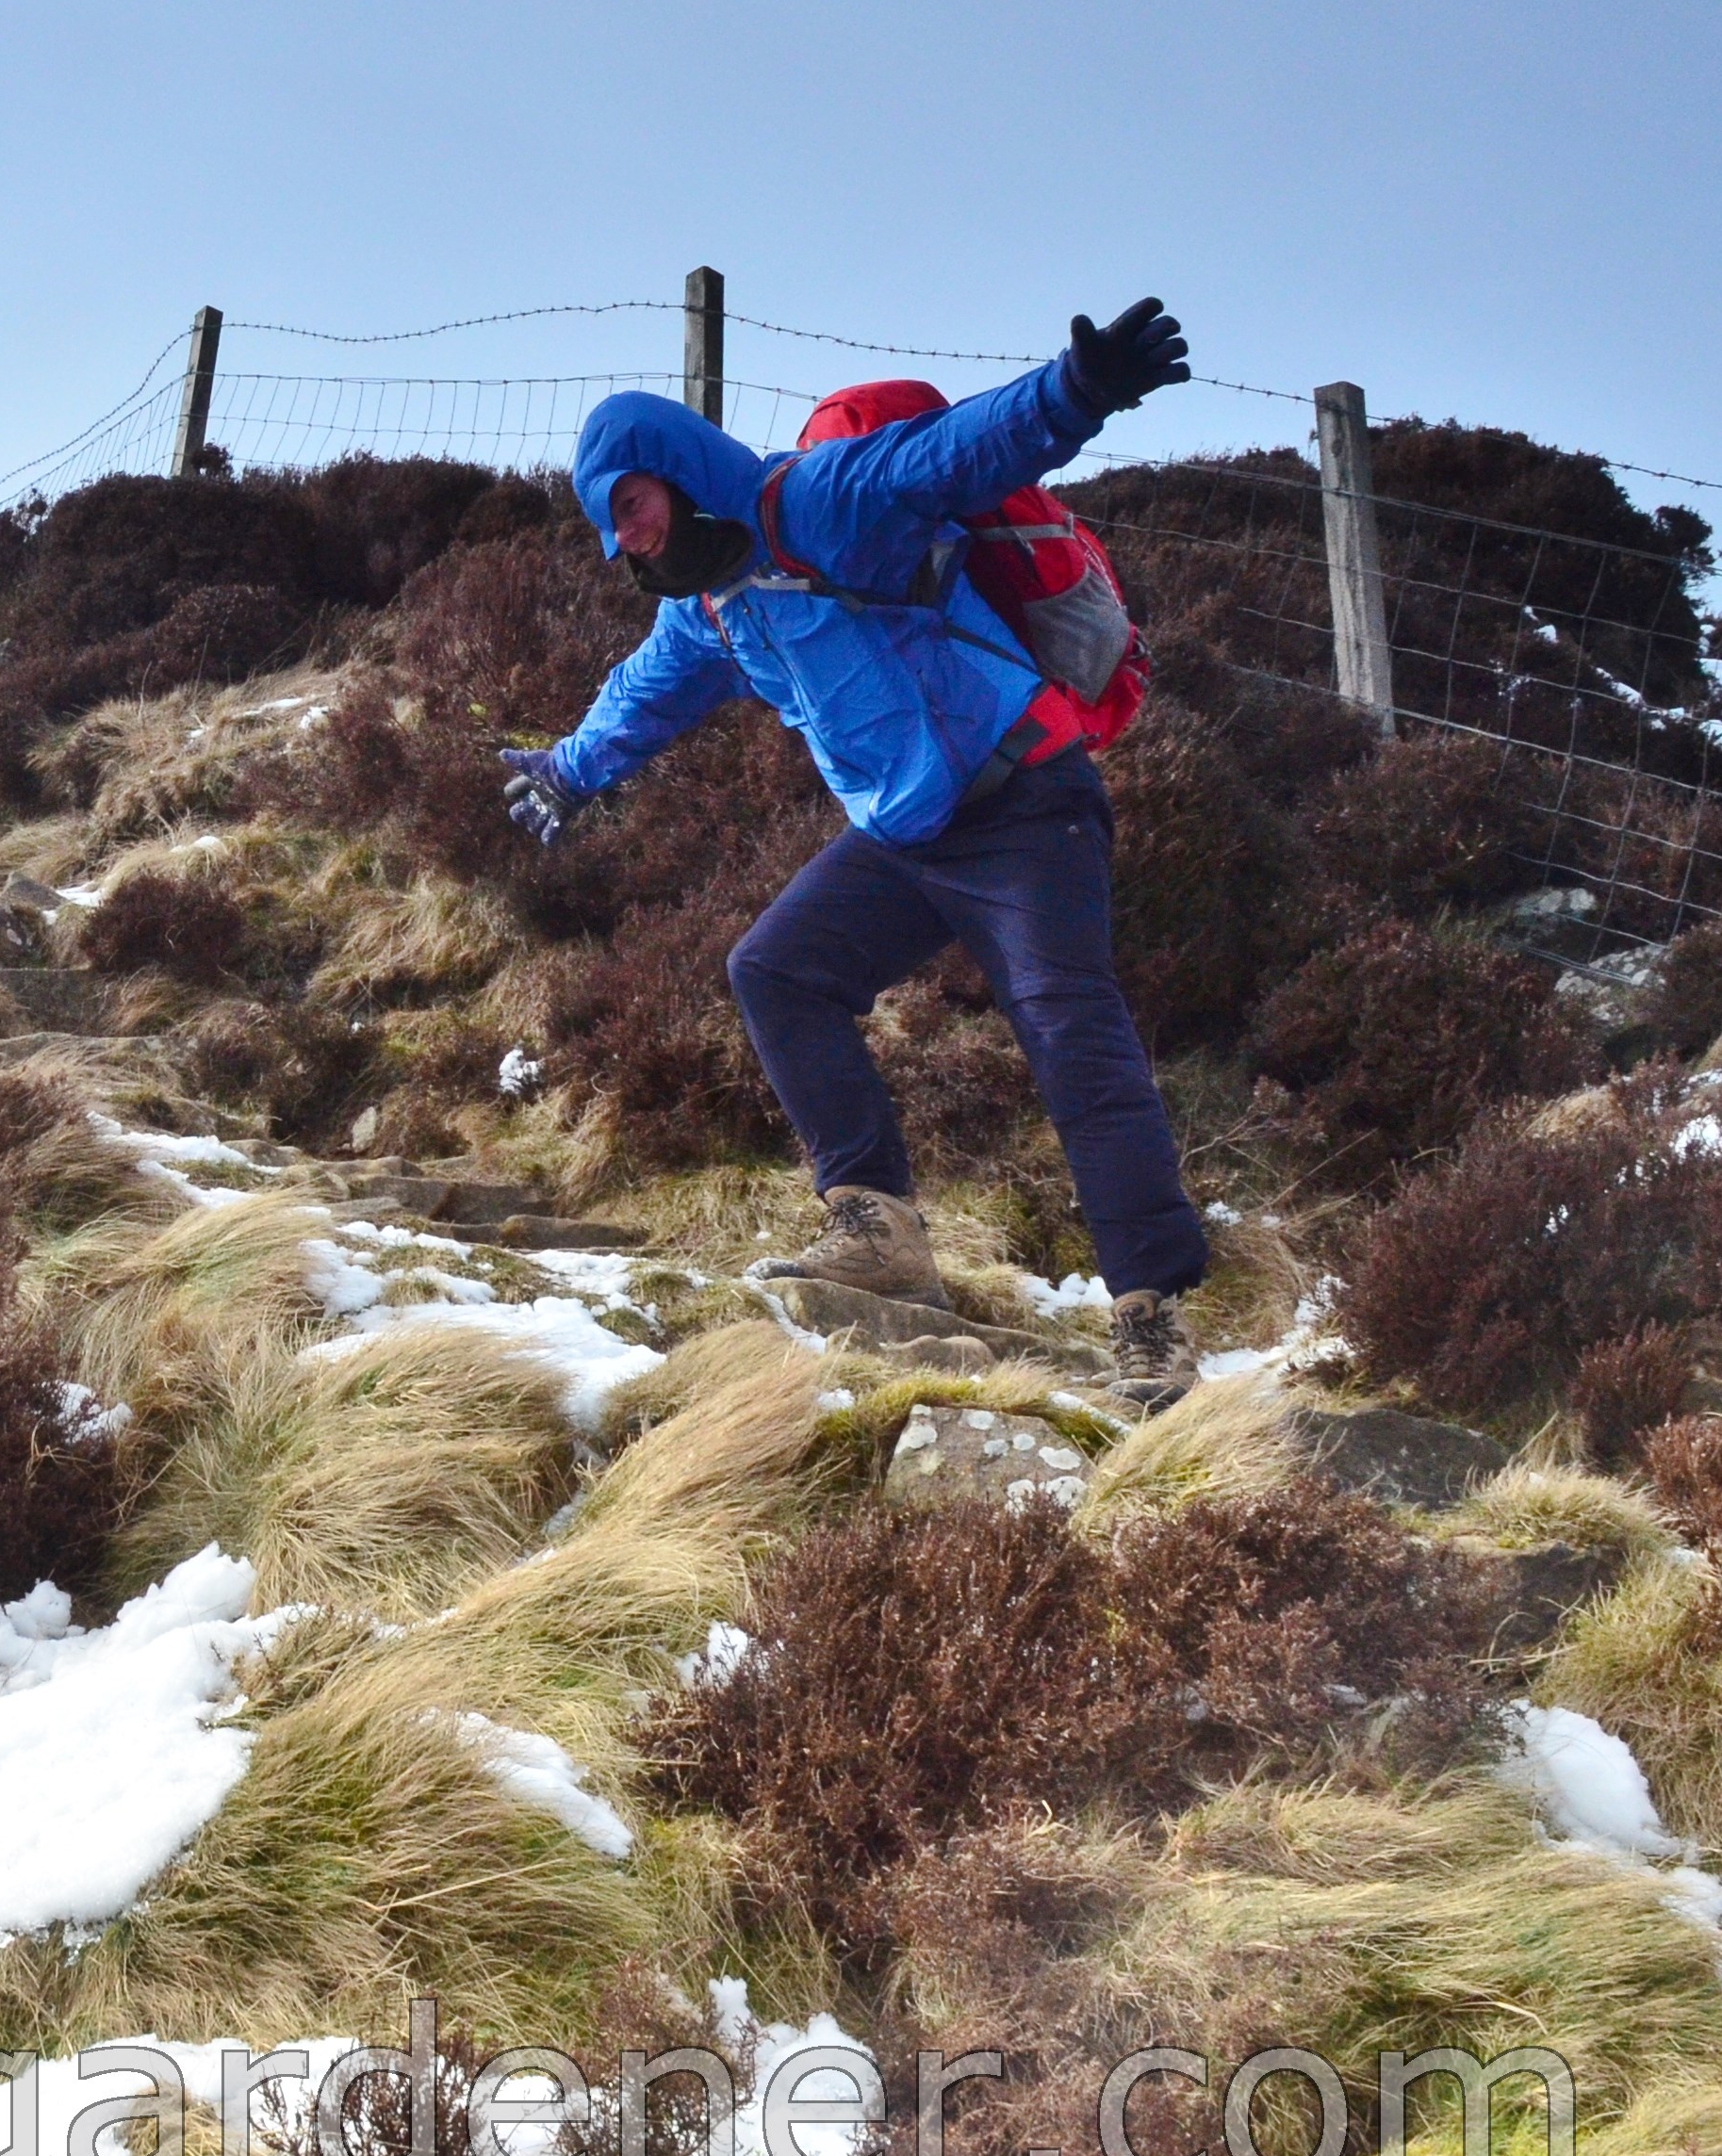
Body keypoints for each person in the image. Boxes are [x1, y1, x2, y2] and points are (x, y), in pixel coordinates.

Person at [495, 301, 1207, 1414]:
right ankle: (878, 1232)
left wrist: (1074, 394)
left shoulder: (820, 505)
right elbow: (643, 693)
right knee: (775, 971)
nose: (624, 538)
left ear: (676, 472)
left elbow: (955, 450)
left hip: (1025, 802)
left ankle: (1150, 1320)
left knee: (1066, 1024)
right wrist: (566, 770)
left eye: (630, 506)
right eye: (610, 527)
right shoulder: (710, 611)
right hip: (906, 833)